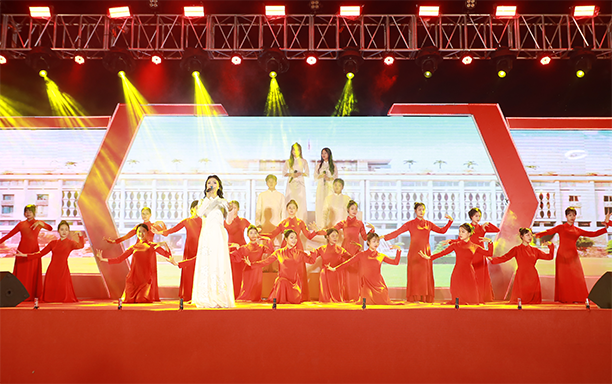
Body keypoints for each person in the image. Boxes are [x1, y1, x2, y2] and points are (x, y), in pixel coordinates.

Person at [535, 208, 611, 303]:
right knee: (563, 277)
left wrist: (606, 227)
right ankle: (564, 298)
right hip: (562, 255)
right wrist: (535, 235)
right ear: (566, 216)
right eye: (570, 215)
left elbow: (593, 234)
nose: (572, 217)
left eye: (573, 215)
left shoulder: (577, 230)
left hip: (573, 256)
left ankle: (577, 298)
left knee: (576, 276)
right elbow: (548, 232)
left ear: (576, 216)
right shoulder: (560, 227)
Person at [381, 202, 453, 302]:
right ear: (415, 211)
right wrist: (384, 237)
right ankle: (414, 297)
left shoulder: (428, 224)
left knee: (425, 276)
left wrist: (450, 222)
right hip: (414, 253)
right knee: (415, 275)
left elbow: (442, 231)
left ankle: (425, 298)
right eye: (419, 209)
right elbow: (398, 232)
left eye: (423, 209)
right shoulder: (410, 224)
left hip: (425, 253)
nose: (421, 211)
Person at [260, 200, 323, 301]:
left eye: (293, 208)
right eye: (290, 208)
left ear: (297, 210)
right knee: (284, 273)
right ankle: (284, 296)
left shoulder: (300, 222)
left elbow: (309, 236)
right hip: (285, 250)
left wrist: (317, 231)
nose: (291, 210)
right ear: (287, 209)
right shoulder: (283, 223)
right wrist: (258, 235)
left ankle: (299, 296)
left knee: (299, 273)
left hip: (297, 249)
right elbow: (272, 234)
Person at [96, 224, 174, 303]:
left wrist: (165, 245)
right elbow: (119, 259)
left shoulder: (152, 246)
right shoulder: (134, 247)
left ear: (147, 232)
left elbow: (167, 255)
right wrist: (102, 259)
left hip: (145, 281)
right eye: (139, 232)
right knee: (128, 301)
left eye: (143, 231)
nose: (141, 234)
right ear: (136, 234)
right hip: (133, 280)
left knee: (141, 300)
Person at [420, 223, 493, 305]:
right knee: (458, 298)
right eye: (459, 231)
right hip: (458, 272)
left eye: (463, 231)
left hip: (469, 274)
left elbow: (489, 253)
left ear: (469, 233)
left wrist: (490, 242)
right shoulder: (456, 245)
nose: (460, 234)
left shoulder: (474, 246)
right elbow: (443, 253)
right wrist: (430, 257)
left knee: (472, 300)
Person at [105, 207, 166, 301]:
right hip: (138, 251)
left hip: (149, 252)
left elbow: (165, 234)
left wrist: (162, 223)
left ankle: (150, 295)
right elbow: (127, 236)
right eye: (142, 213)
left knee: (150, 273)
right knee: (136, 273)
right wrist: (115, 241)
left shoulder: (154, 226)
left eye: (146, 213)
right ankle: (135, 295)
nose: (144, 215)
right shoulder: (139, 226)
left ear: (150, 215)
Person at [192, 175, 235, 308]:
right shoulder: (202, 201)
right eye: (209, 183)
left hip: (219, 235)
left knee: (219, 262)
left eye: (214, 182)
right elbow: (200, 213)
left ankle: (220, 296)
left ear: (219, 186)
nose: (211, 184)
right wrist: (208, 198)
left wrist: (232, 210)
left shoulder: (223, 202)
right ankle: (205, 297)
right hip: (207, 235)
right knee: (207, 263)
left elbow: (228, 221)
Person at [16, 220, 84, 303]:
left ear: (68, 231)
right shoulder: (53, 243)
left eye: (66, 230)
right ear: (58, 231)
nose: (64, 232)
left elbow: (80, 245)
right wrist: (25, 255)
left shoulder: (70, 243)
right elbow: (40, 254)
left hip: (63, 269)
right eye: (62, 229)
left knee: (63, 288)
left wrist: (80, 236)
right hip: (52, 269)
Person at [328, 233, 402, 305]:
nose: (376, 243)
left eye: (377, 241)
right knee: (366, 302)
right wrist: (335, 269)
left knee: (383, 299)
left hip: (378, 283)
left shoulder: (381, 255)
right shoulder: (361, 255)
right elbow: (348, 263)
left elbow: (395, 262)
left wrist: (398, 251)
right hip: (366, 284)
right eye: (374, 241)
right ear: (368, 242)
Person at [246, 230, 316, 304]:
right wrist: (252, 264)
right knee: (281, 281)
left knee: (293, 298)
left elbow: (311, 261)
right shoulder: (279, 252)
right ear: (286, 239)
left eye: (296, 238)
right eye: (291, 237)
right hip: (281, 283)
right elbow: (265, 262)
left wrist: (314, 253)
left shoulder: (299, 253)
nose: (294, 240)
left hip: (294, 285)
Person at [152, 200, 202, 302]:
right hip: (189, 248)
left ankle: (198, 296)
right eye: (197, 207)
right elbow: (173, 230)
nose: (199, 210)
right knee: (188, 270)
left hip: (200, 247)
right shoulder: (187, 221)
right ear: (192, 209)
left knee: (199, 270)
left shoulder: (203, 221)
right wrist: (159, 232)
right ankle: (188, 296)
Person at [489, 228, 554, 304]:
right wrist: (493, 260)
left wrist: (551, 246)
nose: (530, 237)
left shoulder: (535, 250)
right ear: (522, 236)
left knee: (533, 303)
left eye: (531, 235)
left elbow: (549, 257)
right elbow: (505, 257)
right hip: (521, 276)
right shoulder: (517, 249)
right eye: (527, 235)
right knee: (520, 301)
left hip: (532, 276)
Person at [0, 204, 52, 300]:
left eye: (30, 211)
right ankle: (20, 295)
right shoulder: (21, 224)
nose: (28, 213)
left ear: (34, 213)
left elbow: (50, 228)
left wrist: (41, 223)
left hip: (33, 251)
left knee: (32, 274)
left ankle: (31, 295)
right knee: (21, 274)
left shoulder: (38, 223)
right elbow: (9, 235)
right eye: (26, 211)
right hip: (22, 251)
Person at [334, 200, 375, 301]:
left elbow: (365, 238)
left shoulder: (359, 223)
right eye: (352, 209)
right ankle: (345, 296)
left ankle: (355, 295)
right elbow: (331, 231)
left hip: (356, 249)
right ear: (348, 210)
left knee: (355, 273)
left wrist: (372, 230)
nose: (354, 211)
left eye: (356, 209)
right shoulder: (343, 223)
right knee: (345, 272)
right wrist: (317, 231)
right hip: (345, 249)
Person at [230, 225, 273, 302]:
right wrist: (232, 247)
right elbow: (234, 257)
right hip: (248, 271)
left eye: (255, 233)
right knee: (246, 295)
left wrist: (268, 239)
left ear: (257, 234)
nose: (253, 235)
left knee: (255, 295)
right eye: (251, 233)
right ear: (247, 235)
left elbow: (271, 251)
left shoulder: (261, 247)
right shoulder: (244, 248)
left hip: (258, 271)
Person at [308, 228, 352, 303]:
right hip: (325, 274)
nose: (335, 238)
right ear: (327, 237)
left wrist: (357, 250)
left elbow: (351, 259)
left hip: (337, 275)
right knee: (325, 300)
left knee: (337, 299)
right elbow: (311, 260)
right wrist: (312, 253)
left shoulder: (340, 250)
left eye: (337, 236)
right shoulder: (322, 249)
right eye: (333, 236)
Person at [468, 207, 500, 302]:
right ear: (471, 217)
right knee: (471, 275)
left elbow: (497, 230)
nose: (478, 218)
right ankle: (472, 296)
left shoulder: (482, 227)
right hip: (471, 253)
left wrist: (488, 224)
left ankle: (482, 296)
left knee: (481, 275)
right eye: (476, 216)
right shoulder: (468, 227)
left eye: (479, 216)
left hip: (481, 253)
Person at [225, 200, 251, 298]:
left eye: (235, 207)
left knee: (241, 272)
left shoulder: (243, 221)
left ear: (238, 209)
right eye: (231, 208)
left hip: (242, 249)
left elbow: (253, 230)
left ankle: (241, 294)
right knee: (231, 272)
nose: (233, 210)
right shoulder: (225, 222)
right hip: (231, 249)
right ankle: (232, 294)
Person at [282, 143, 309, 221]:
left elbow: (307, 173)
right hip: (291, 184)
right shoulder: (288, 161)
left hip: (300, 184)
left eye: (297, 150)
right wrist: (292, 174)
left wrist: (300, 173)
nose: (295, 151)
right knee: (290, 200)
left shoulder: (304, 161)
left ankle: (300, 222)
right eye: (294, 150)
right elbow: (284, 173)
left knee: (300, 202)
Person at [314, 148, 338, 228]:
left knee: (329, 205)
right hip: (321, 188)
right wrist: (321, 176)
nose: (323, 155)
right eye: (322, 153)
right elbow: (315, 177)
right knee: (320, 205)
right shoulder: (319, 165)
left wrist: (329, 178)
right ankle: (320, 225)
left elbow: (336, 177)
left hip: (329, 187)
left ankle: (329, 225)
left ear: (329, 154)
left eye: (325, 153)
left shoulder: (333, 166)